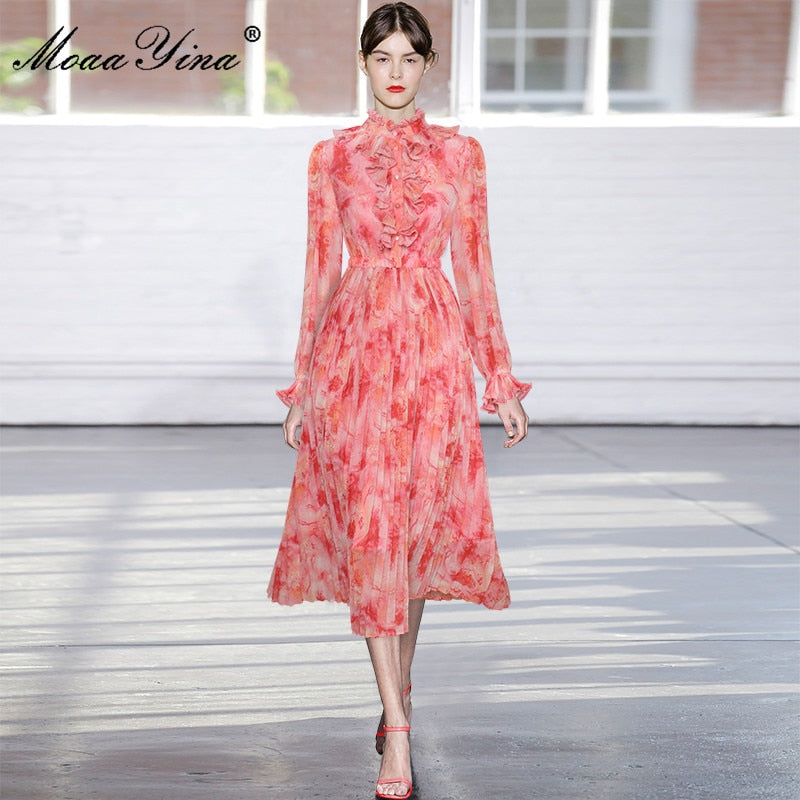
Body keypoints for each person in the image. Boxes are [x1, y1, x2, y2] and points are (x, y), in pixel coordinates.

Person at [268, 3, 530, 797]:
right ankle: (399, 731)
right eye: (381, 56)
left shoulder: (461, 155)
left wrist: (499, 377)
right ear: (363, 63)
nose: (395, 71)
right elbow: (320, 272)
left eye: (408, 58)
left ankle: (396, 699)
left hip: (434, 358)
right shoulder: (331, 157)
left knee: (412, 536)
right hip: (354, 358)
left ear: (427, 66)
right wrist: (304, 385)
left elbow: (476, 269)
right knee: (374, 529)